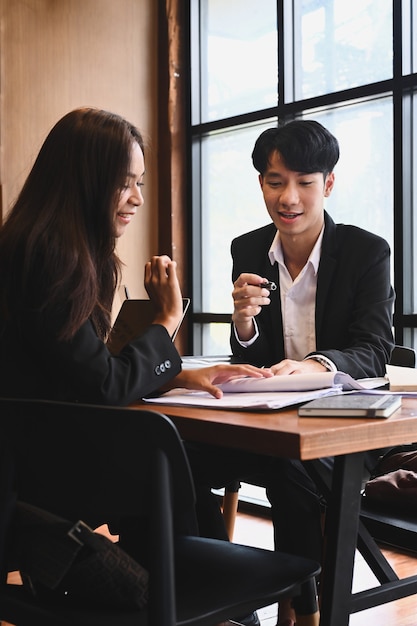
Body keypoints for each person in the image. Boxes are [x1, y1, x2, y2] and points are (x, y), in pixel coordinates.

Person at [0, 107, 273, 621]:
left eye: (141, 183)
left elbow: (82, 370)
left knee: (172, 467)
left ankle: (198, 606)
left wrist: (177, 374)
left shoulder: (42, 247)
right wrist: (168, 318)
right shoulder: (50, 257)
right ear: (85, 181)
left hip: (34, 459)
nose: (138, 199)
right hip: (36, 476)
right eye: (125, 184)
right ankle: (207, 606)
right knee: (170, 464)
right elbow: (103, 385)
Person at [189, 119, 395, 626]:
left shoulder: (366, 252)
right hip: (270, 421)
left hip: (343, 424)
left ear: (328, 184)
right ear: (261, 183)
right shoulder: (248, 248)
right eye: (276, 181)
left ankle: (302, 609)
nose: (290, 197)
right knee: (176, 454)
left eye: (305, 182)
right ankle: (224, 598)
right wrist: (242, 326)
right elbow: (256, 361)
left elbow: (374, 350)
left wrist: (315, 366)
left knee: (292, 468)